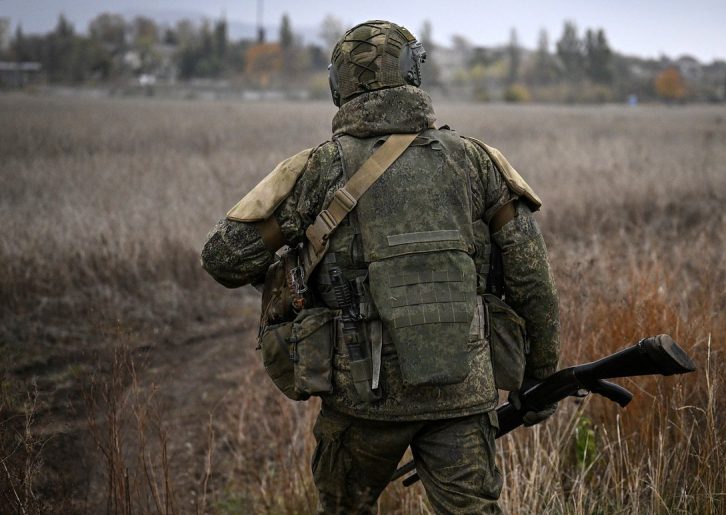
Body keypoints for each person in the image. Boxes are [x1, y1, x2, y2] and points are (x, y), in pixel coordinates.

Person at [201, 20, 560, 514]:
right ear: (414, 73)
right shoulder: (476, 161)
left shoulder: (319, 168)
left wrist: (292, 260)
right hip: (460, 397)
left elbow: (222, 257)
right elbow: (532, 281)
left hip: (360, 402)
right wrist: (541, 379)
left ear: (337, 86)